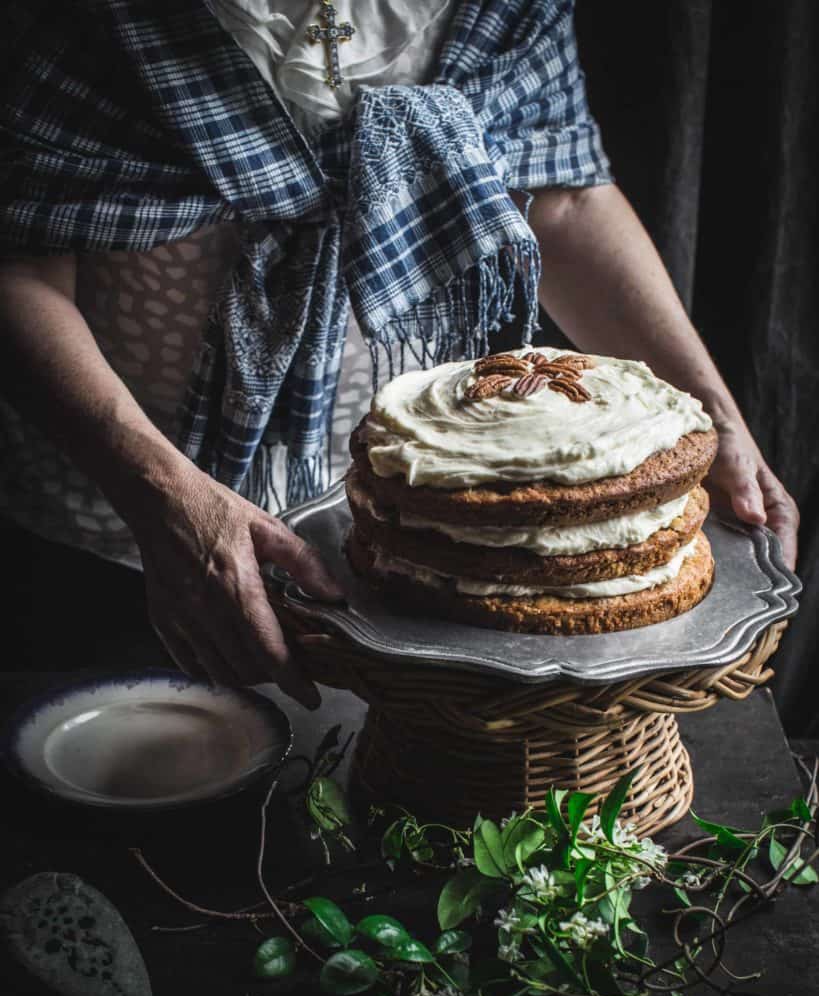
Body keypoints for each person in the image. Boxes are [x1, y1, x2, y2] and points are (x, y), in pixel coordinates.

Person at [0, 0, 798, 708]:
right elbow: (17, 260)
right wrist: (155, 493)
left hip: (406, 531)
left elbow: (560, 194)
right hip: (112, 519)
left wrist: (711, 415)